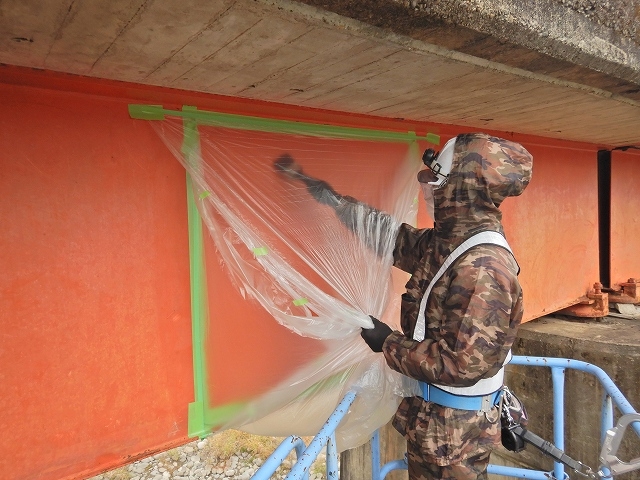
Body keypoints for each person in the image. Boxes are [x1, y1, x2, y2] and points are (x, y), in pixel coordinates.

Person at [280, 132, 533, 480]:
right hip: (436, 422)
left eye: (437, 181)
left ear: (463, 190)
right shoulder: (452, 244)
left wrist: (388, 342)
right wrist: (333, 201)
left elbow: (461, 365)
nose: (429, 189)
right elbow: (392, 239)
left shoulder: (482, 269)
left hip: (454, 437)